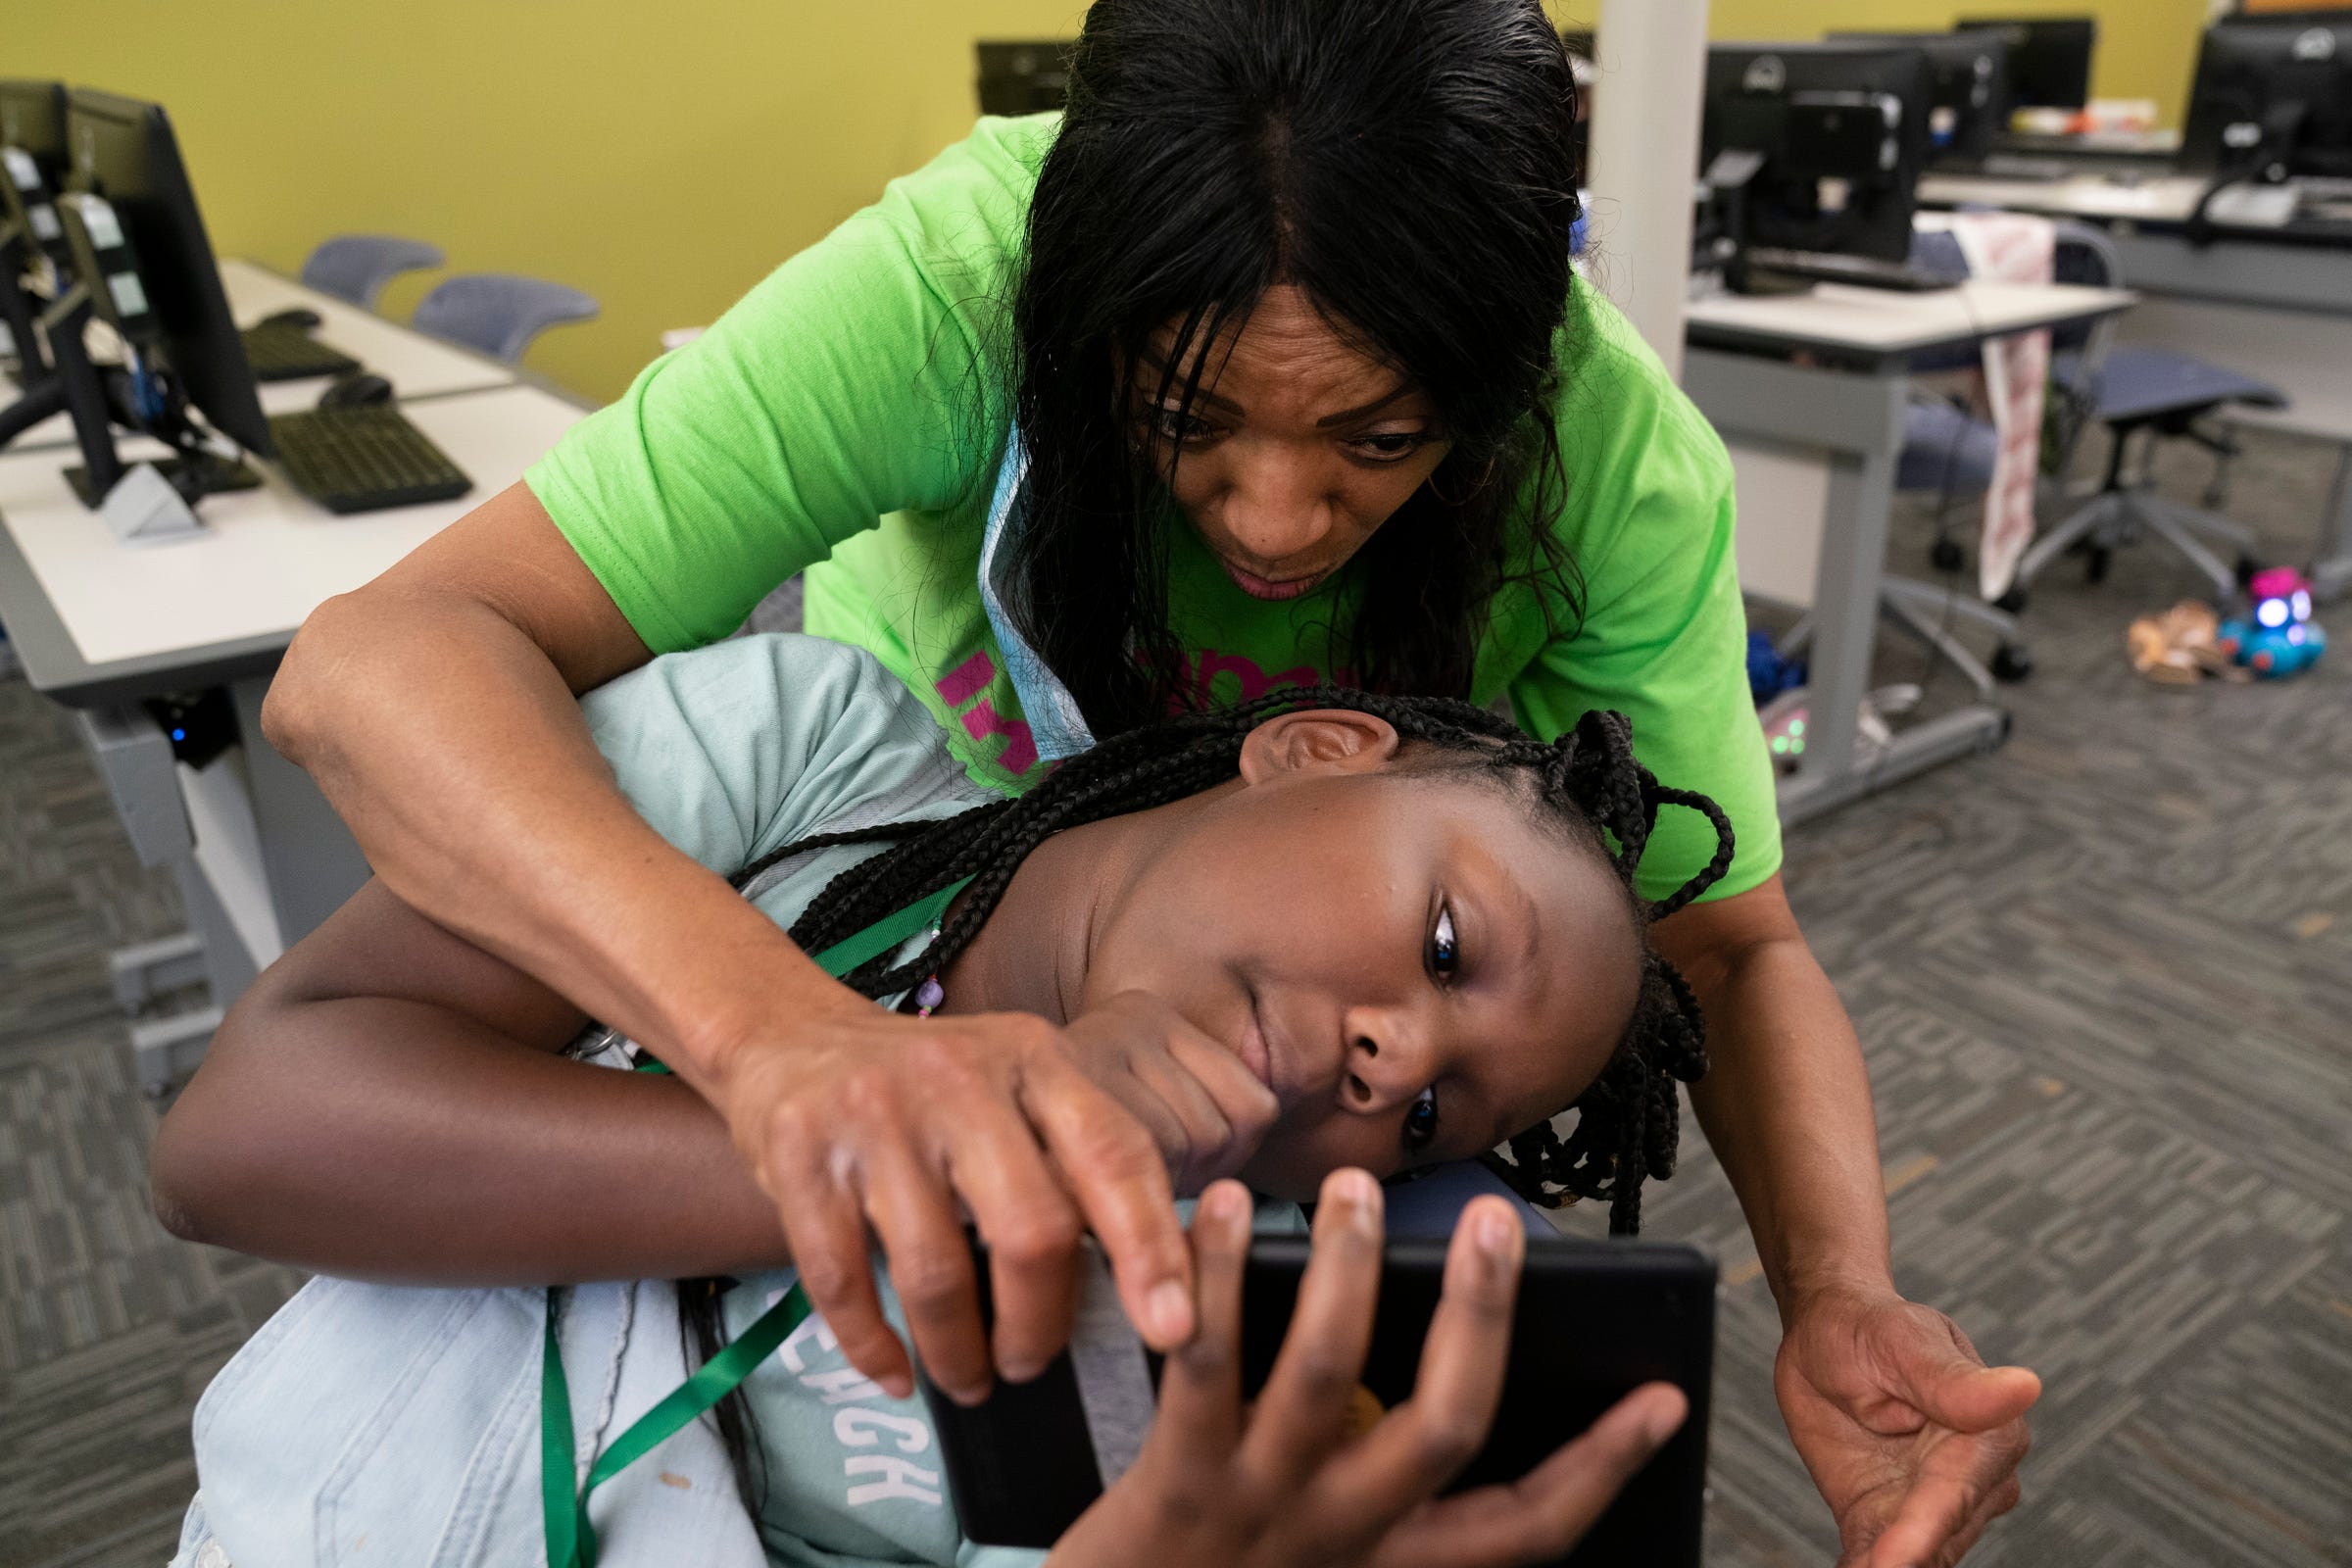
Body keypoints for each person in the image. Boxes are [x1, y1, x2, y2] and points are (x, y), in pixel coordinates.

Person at [257, 1, 2037, 1559]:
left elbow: (1722, 949)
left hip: (1225, 1083)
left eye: (1380, 437)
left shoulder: (1612, 457)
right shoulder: (960, 298)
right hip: (929, 891)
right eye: (1187, 420)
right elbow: (380, 667)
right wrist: (782, 1045)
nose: (1275, 523)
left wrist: (1840, 1290)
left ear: (1498, 395)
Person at [155, 632, 1719, 1565]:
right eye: (1445, 946)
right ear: (1315, 751)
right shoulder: (805, 761)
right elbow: (237, 1140)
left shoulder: (1206, 1318)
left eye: (1436, 1119)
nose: (1395, 1069)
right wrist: (904, 1137)